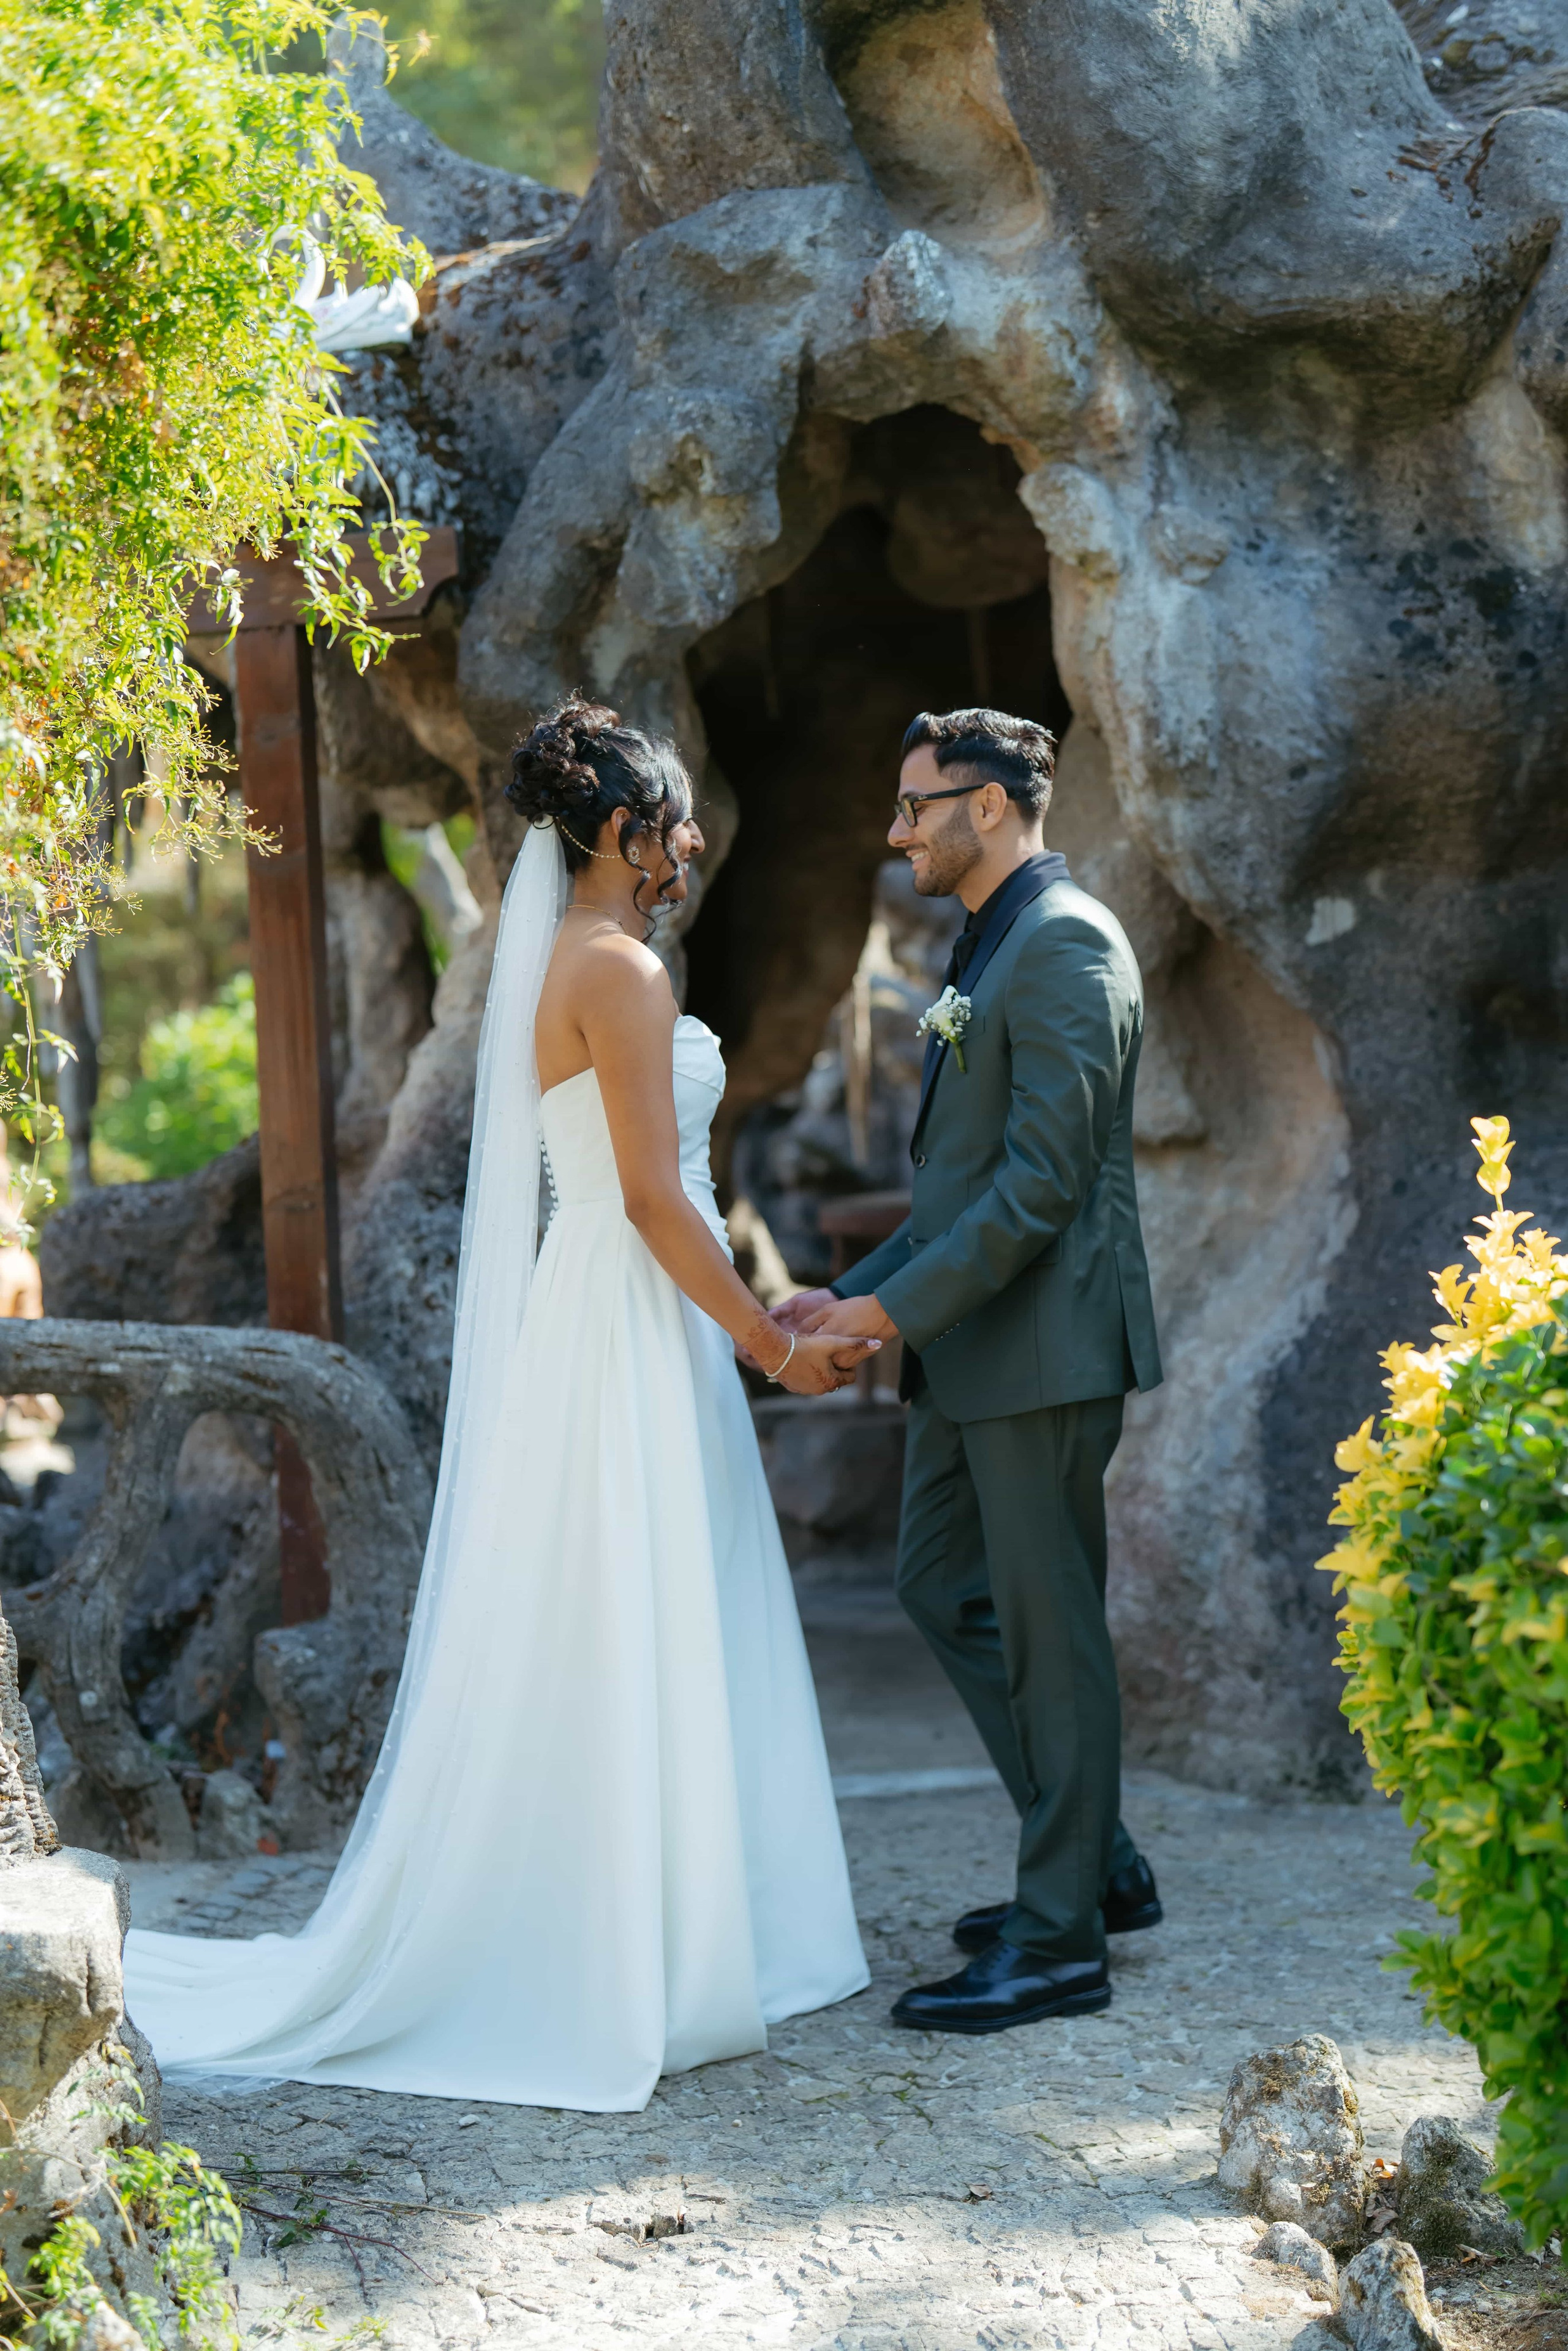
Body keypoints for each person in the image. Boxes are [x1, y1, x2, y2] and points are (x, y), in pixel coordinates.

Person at [124, 696, 873, 2111]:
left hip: (619, 1302)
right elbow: (653, 1196)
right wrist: (768, 1351)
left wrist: (746, 1312)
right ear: (613, 830)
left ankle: (673, 1923)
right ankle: (656, 1940)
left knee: (627, 1600)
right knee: (644, 1593)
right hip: (634, 1306)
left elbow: (659, 1197)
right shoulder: (623, 974)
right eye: (670, 815)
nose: (691, 837)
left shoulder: (583, 961)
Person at [778, 706, 1164, 2037]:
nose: (896, 832)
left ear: (989, 804)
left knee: (1052, 1638)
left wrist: (883, 1319)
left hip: (1042, 1346)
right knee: (938, 1584)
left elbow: (1037, 1193)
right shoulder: (991, 942)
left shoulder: (1063, 946)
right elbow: (958, 1177)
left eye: (915, 803)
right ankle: (1096, 1864)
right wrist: (858, 1287)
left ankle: (1059, 1939)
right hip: (970, 1340)